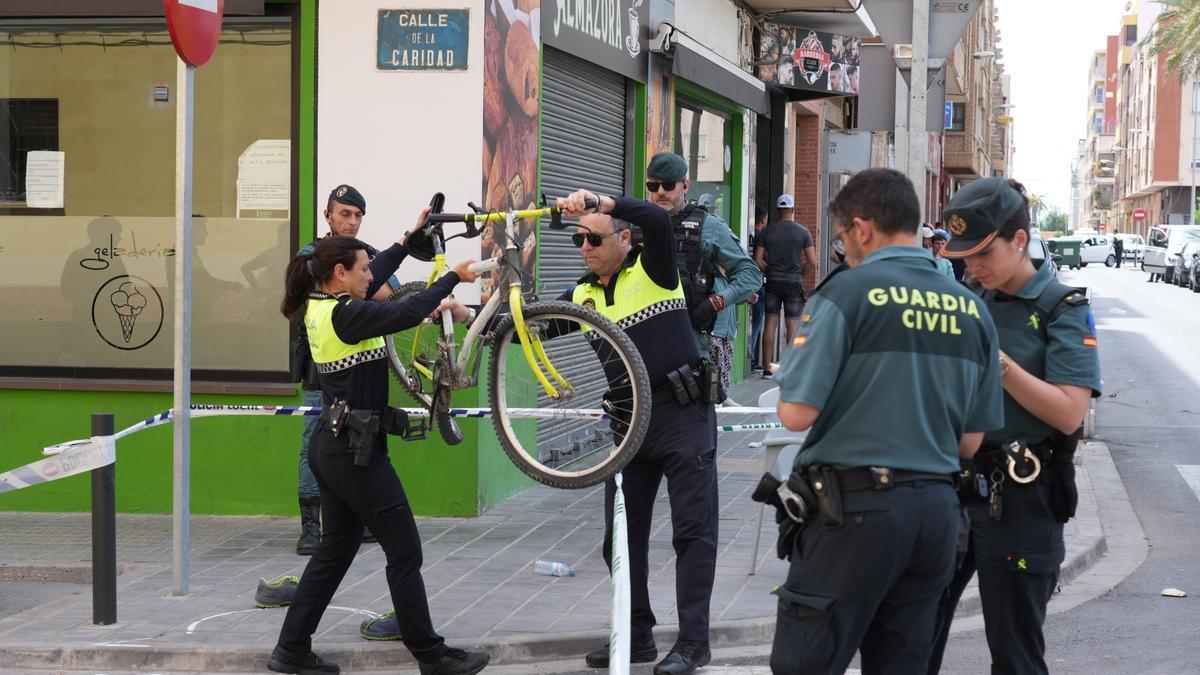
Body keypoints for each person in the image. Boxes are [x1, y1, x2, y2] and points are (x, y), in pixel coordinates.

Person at [767, 168, 1004, 674]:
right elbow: (970, 441)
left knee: (805, 662)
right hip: (937, 517)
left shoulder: (845, 293)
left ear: (863, 228)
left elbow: (795, 414)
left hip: (854, 514)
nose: (844, 250)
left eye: (843, 238)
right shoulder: (972, 310)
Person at [269, 234, 489, 675]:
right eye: (364, 270)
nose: (373, 276)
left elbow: (382, 276)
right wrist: (452, 278)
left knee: (336, 550)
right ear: (340, 274)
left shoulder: (320, 306)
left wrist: (408, 239)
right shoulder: (346, 315)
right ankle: (431, 655)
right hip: (354, 455)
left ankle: (290, 650)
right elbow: (404, 310)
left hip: (335, 447)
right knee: (405, 552)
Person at [929, 178, 1101, 675]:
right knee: (913, 635)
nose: (970, 265)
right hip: (951, 487)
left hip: (1021, 495)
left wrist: (998, 363)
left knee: (1015, 651)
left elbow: (1070, 412)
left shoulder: (1062, 309)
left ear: (1020, 240)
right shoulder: (964, 299)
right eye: (962, 254)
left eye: (982, 252)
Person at [552, 187, 720, 675]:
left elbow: (657, 219)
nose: (585, 248)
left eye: (594, 239)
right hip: (629, 426)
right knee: (620, 538)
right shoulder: (581, 296)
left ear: (625, 240)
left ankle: (693, 642)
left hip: (682, 415)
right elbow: (532, 328)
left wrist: (599, 202)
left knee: (693, 532)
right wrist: (464, 316)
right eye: (579, 242)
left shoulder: (654, 269)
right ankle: (637, 634)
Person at [293, 185, 403, 555]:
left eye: (358, 215)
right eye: (344, 214)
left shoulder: (362, 256)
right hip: (320, 367)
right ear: (328, 215)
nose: (352, 222)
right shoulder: (312, 256)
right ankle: (311, 525)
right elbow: (376, 294)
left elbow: (392, 294)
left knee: (362, 438)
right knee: (316, 441)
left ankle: (358, 517)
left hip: (359, 365)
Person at [645, 152, 759, 404]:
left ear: (685, 185)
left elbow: (751, 275)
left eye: (668, 185)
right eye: (653, 186)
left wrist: (715, 302)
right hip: (646, 345)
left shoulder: (708, 226)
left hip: (692, 345)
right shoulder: (638, 224)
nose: (660, 192)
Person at [755, 193, 816, 379]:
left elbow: (757, 259)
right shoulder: (803, 232)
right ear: (793, 209)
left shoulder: (767, 232)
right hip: (793, 282)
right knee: (793, 324)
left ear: (778, 211)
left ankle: (767, 367)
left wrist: (770, 270)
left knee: (770, 322)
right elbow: (812, 262)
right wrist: (799, 274)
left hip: (773, 281)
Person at [748, 207, 768, 372]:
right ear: (764, 219)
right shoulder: (762, 236)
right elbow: (758, 260)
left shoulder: (750, 234)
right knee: (756, 322)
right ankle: (752, 360)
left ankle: (752, 358)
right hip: (758, 283)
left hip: (749, 283)